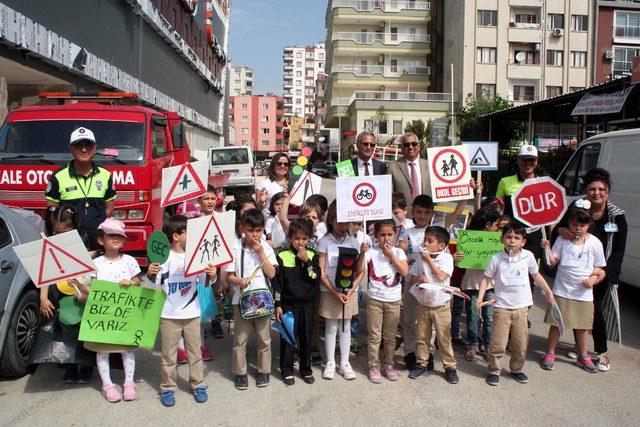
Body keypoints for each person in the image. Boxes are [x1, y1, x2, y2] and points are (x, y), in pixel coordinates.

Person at [551, 168, 627, 371]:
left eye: (601, 189)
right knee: (578, 308)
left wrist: (606, 273)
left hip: (598, 272)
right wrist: (564, 231)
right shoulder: (577, 208)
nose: (597, 193)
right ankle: (580, 347)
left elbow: (619, 250)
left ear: (608, 191)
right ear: (586, 191)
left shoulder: (617, 217)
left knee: (596, 311)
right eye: (592, 189)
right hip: (575, 271)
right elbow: (557, 229)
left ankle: (601, 352)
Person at [147, 215, 216, 407]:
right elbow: (156, 281)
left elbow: (204, 282)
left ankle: (198, 384)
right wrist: (151, 272)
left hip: (192, 313)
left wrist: (211, 274)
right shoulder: (163, 257)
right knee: (169, 355)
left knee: (195, 353)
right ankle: (168, 388)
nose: (192, 236)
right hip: (169, 314)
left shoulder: (195, 255)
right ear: (176, 236)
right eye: (188, 232)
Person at [478, 223, 555, 386]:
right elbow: (485, 278)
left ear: (523, 242)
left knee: (520, 343)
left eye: (516, 238)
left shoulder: (528, 256)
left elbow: (536, 275)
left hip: (522, 308)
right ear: (502, 239)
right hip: (501, 308)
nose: (512, 241)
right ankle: (494, 370)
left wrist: (548, 291)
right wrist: (480, 297)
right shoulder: (496, 258)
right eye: (508, 237)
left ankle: (516, 369)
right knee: (498, 343)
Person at [541, 201, 607, 373]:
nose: (578, 228)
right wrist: (547, 248)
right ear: (569, 223)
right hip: (561, 289)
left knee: (582, 326)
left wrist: (592, 280)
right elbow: (553, 261)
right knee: (556, 323)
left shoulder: (595, 243)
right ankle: (550, 352)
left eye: (582, 225)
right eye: (574, 224)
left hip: (583, 293)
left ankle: (583, 355)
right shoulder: (562, 240)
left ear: (589, 225)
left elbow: (600, 268)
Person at [34, 205, 94, 383]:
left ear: (75, 225)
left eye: (66, 230)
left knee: (84, 327)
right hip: (61, 293)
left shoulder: (85, 238)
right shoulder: (50, 242)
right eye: (56, 231)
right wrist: (43, 297)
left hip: (83, 288)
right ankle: (70, 363)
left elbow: (94, 264)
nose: (61, 234)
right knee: (66, 327)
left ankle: (87, 364)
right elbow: (45, 271)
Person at [86, 218, 142, 403]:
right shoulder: (95, 263)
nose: (116, 238)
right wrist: (78, 285)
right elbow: (90, 288)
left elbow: (138, 282)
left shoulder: (130, 261)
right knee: (102, 350)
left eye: (119, 235)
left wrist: (131, 283)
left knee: (127, 349)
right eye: (111, 235)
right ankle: (107, 384)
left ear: (124, 240)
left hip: (125, 313)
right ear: (101, 240)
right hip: (103, 314)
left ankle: (129, 382)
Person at [222, 209, 277, 390]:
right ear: (242, 229)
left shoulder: (266, 247)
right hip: (241, 299)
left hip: (262, 299)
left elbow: (272, 273)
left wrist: (261, 252)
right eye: (251, 230)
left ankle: (264, 371)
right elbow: (229, 277)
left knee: (264, 339)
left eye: (259, 230)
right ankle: (240, 373)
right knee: (240, 339)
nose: (254, 234)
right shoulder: (235, 247)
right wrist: (240, 281)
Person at [45, 127, 116, 246]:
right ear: (71, 149)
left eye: (88, 145)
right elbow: (52, 211)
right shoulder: (58, 176)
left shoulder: (105, 175)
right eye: (78, 146)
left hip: (98, 242)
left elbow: (109, 209)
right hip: (70, 244)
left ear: (94, 148)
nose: (84, 150)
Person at [317, 201, 365, 380]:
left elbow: (361, 272)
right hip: (329, 291)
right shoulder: (324, 241)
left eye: (347, 222)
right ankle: (330, 361)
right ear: (331, 220)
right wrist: (334, 292)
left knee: (345, 326)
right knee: (330, 327)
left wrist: (350, 291)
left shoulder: (354, 242)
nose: (343, 226)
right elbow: (321, 272)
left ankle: (345, 362)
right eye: (339, 221)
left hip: (348, 292)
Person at [407, 226, 459, 384]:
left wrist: (428, 260)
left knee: (443, 337)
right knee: (422, 336)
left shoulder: (446, 258)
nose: (426, 243)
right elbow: (412, 278)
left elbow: (441, 276)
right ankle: (422, 363)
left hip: (440, 305)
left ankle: (450, 367)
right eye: (425, 240)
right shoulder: (420, 259)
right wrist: (420, 278)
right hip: (423, 303)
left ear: (441, 246)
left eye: (430, 241)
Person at [272, 219, 321, 386]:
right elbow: (277, 283)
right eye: (296, 238)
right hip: (288, 304)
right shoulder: (282, 254)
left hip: (307, 304)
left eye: (304, 239)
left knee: (305, 338)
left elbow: (315, 277)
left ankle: (306, 369)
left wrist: (307, 261)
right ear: (290, 237)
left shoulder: (313, 254)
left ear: (309, 239)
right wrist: (278, 305)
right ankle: (286, 370)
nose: (300, 242)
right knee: (287, 337)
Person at [363, 220, 409, 383]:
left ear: (395, 235)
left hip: (394, 300)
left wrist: (391, 255)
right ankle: (374, 366)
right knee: (375, 335)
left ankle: (389, 364)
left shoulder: (398, 252)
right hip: (375, 298)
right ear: (376, 236)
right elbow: (359, 269)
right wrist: (362, 252)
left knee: (390, 336)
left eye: (390, 234)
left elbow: (404, 272)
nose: (386, 238)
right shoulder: (372, 252)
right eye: (382, 235)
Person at [453, 207, 501, 361]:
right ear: (487, 224)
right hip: (471, 285)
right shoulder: (468, 238)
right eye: (495, 226)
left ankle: (487, 345)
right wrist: (456, 258)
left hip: (490, 286)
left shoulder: (497, 242)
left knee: (489, 318)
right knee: (473, 317)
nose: (497, 230)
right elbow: (460, 264)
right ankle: (473, 344)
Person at [495, 144, 543, 260]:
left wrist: (550, 236)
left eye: (531, 159)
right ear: (518, 160)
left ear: (536, 162)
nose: (528, 163)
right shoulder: (505, 182)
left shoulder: (544, 183)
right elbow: (497, 209)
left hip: (535, 235)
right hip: (512, 236)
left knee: (532, 273)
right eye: (524, 159)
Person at [388, 133, 431, 216]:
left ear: (419, 146)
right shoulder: (392, 168)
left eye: (414, 144)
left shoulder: (430, 166)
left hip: (426, 216)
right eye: (406, 144)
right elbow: (390, 196)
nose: (410, 147)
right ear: (401, 148)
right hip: (404, 218)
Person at [256, 152, 291, 217]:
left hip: (289, 223)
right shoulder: (263, 184)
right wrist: (261, 202)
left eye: (286, 164)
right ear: (273, 165)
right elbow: (257, 210)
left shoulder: (294, 184)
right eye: (279, 164)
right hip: (270, 224)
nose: (282, 166)